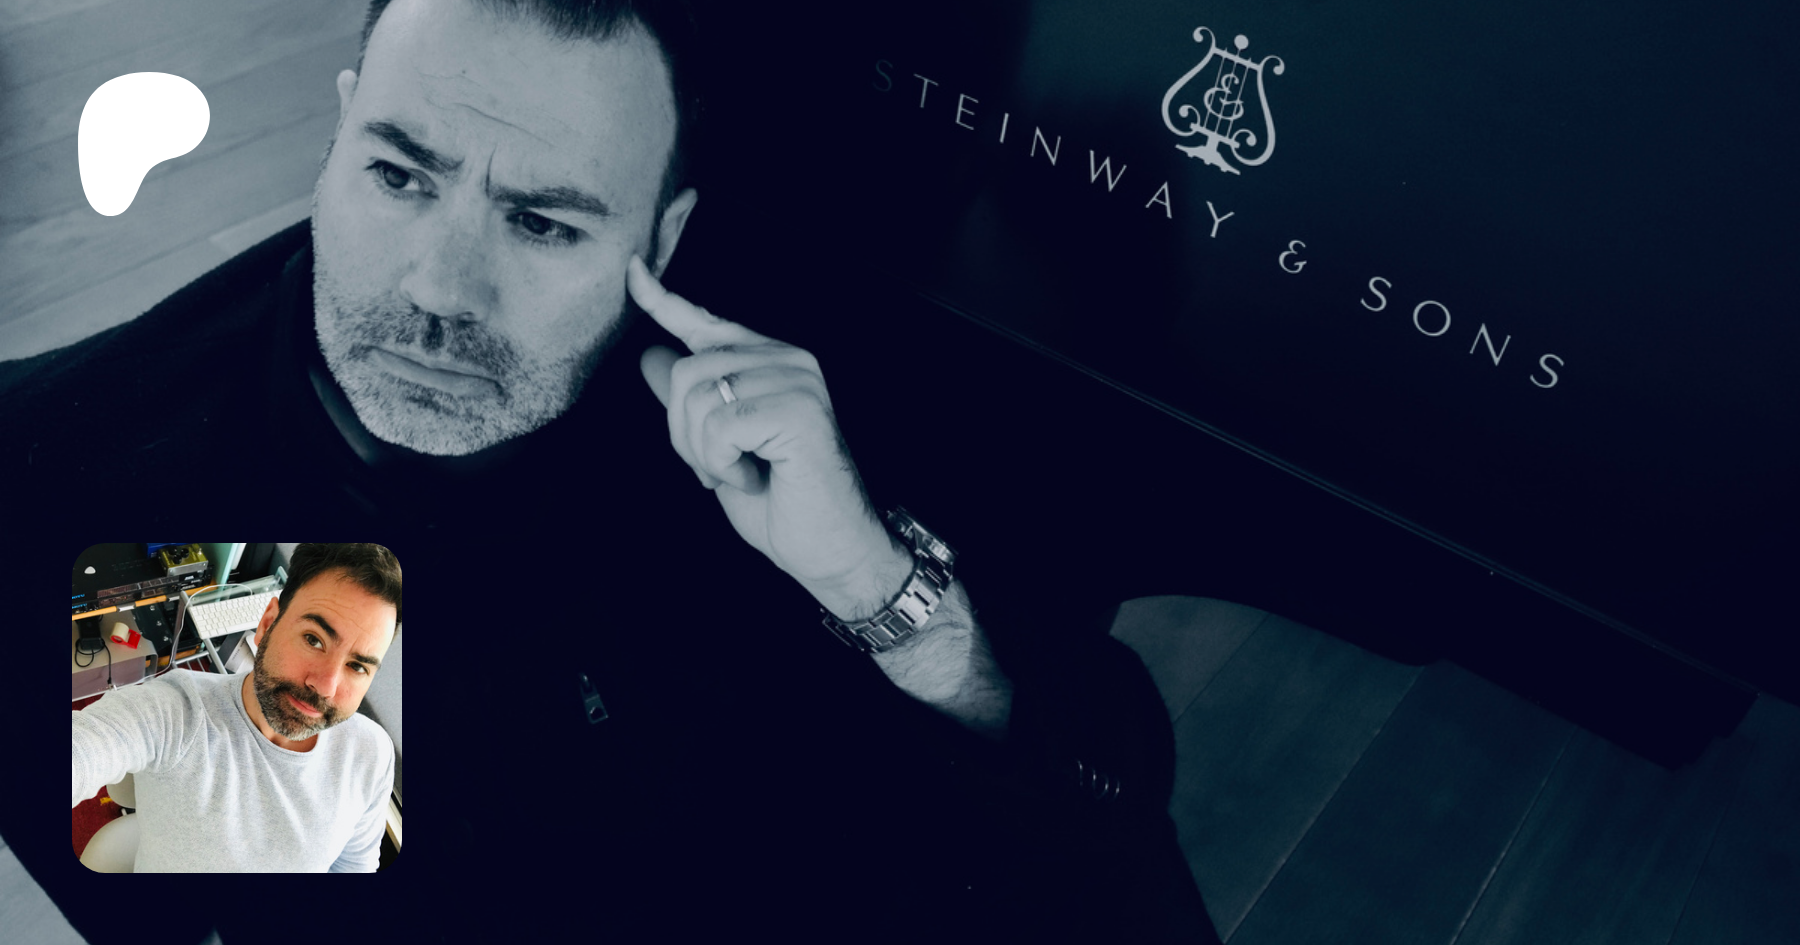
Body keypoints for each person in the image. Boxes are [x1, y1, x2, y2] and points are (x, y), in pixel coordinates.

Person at [4, 1, 1220, 940]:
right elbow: (162, 895)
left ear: (665, 235)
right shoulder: (70, 488)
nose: (438, 290)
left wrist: (870, 582)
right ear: (341, 125)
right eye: (400, 174)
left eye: (543, 222)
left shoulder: (794, 392)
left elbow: (1103, 807)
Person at [70, 543, 400, 873]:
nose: (326, 686)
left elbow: (353, 867)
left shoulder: (372, 755)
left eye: (358, 666)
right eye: (314, 640)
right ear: (267, 624)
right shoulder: (175, 712)